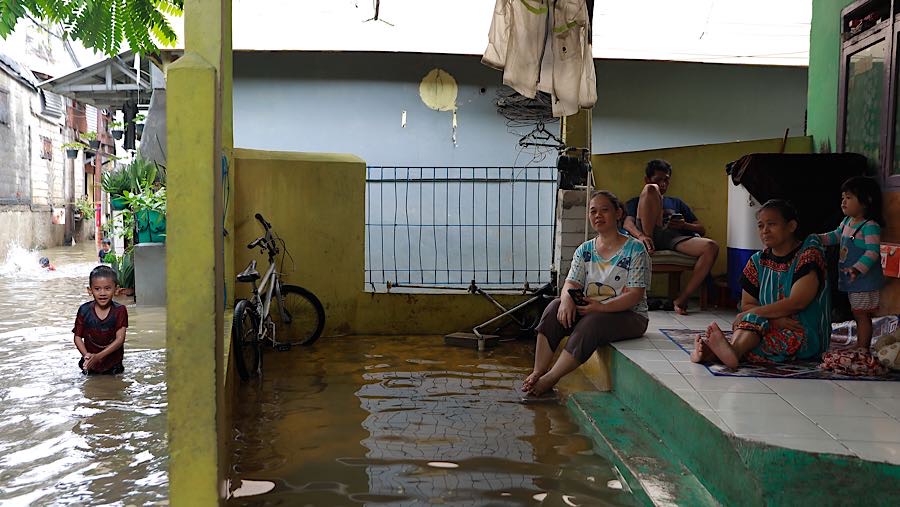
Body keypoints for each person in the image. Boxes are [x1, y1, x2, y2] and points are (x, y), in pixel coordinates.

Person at [523, 190, 650, 397]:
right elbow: (571, 282)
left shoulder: (635, 249)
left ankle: (551, 377)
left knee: (592, 322)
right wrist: (566, 299)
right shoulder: (585, 250)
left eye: (604, 210)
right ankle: (538, 371)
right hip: (593, 309)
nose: (598, 215)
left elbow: (635, 295)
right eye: (593, 211)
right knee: (554, 307)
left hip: (629, 316)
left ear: (618, 213)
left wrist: (601, 307)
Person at [691, 199, 830, 368]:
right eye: (760, 225)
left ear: (791, 226)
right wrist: (774, 320)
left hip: (803, 334)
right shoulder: (758, 261)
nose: (765, 230)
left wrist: (756, 314)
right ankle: (730, 352)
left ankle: (720, 352)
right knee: (751, 324)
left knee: (750, 331)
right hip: (769, 326)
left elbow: (797, 302)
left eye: (772, 224)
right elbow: (748, 304)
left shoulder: (808, 255)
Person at [622, 159, 719, 315]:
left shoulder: (676, 202)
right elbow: (627, 223)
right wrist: (642, 236)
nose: (663, 184)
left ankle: (681, 300)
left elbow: (701, 229)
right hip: (646, 233)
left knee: (711, 247)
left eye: (666, 180)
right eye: (658, 179)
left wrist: (684, 225)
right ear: (647, 179)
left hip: (671, 237)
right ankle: (649, 244)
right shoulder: (637, 200)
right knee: (651, 190)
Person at [817, 176, 884, 350]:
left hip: (864, 281)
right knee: (857, 313)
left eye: (849, 197)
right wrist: (818, 238)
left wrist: (857, 269)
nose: (843, 202)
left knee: (862, 315)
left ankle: (863, 348)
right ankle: (861, 344)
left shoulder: (869, 226)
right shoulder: (847, 221)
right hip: (853, 281)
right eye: (843, 198)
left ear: (867, 200)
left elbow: (873, 252)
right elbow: (836, 236)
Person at [73, 265, 128, 375]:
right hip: (89, 363)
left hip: (113, 364)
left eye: (107, 288)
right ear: (90, 290)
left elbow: (120, 339)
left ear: (116, 290)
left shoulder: (120, 310)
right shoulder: (84, 310)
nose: (102, 293)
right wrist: (86, 356)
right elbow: (77, 337)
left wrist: (98, 357)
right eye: (97, 289)